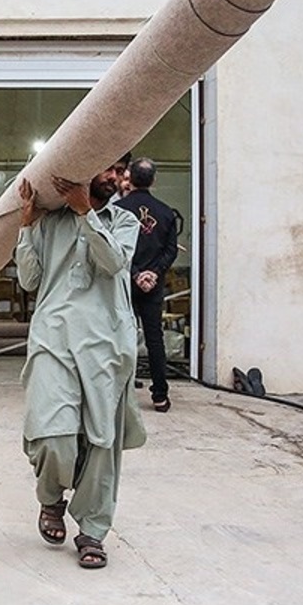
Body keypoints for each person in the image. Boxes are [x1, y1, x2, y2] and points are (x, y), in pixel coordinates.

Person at [14, 161, 148, 570]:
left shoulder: (122, 221)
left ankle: (92, 529)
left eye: (119, 170)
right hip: (53, 338)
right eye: (106, 168)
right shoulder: (49, 222)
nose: (114, 176)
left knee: (101, 444)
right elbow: (29, 280)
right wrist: (26, 224)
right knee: (54, 435)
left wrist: (85, 213)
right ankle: (50, 499)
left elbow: (112, 263)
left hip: (106, 345)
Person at [115, 156, 180, 413]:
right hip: (153, 286)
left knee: (122, 337)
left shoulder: (119, 210)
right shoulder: (165, 212)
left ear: (129, 177)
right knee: (155, 339)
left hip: (125, 283)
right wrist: (153, 273)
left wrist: (135, 273)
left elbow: (115, 248)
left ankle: (122, 394)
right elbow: (171, 250)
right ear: (154, 180)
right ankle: (160, 396)